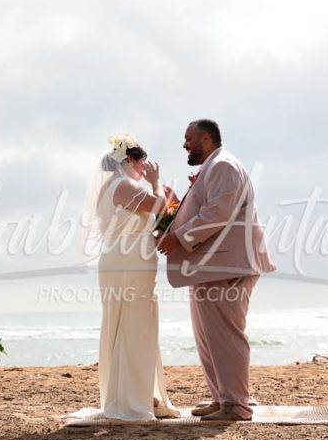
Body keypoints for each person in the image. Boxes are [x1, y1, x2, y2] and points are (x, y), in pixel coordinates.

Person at [157, 119, 276, 421]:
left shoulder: (223, 165)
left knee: (226, 335)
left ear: (206, 139)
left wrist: (178, 238)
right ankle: (221, 397)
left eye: (188, 138)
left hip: (227, 264)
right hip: (210, 266)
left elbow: (217, 213)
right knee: (208, 336)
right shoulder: (213, 166)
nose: (184, 144)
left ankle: (236, 404)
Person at [82, 133, 179, 421]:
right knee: (132, 324)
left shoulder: (119, 187)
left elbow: (159, 213)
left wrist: (167, 201)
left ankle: (140, 392)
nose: (144, 168)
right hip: (128, 263)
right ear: (128, 160)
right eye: (142, 163)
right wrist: (157, 183)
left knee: (135, 324)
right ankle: (131, 397)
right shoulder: (122, 185)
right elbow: (158, 206)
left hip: (131, 259)